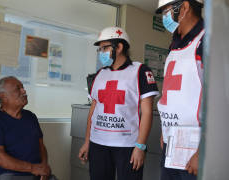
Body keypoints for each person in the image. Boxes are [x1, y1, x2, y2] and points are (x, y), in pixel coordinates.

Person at [78, 27, 159, 180]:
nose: (101, 52)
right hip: (98, 144)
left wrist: (140, 146)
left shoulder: (140, 71)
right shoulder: (100, 74)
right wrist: (87, 142)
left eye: (104, 48)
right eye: (99, 49)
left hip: (128, 146)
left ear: (119, 47)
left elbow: (147, 112)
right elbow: (93, 111)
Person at [155, 0, 204, 179]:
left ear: (184, 7)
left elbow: (220, 99)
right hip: (172, 141)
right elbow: (174, 94)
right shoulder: (175, 44)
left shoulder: (206, 40)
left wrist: (204, 150)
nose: (164, 17)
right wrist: (165, 130)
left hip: (196, 147)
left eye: (167, 11)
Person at [0, 76, 51, 180]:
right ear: (3, 96)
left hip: (35, 174)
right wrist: (32, 168)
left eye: (23, 87)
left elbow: (41, 147)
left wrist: (43, 168)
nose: (24, 91)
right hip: (8, 175)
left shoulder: (31, 116)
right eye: (18, 89)